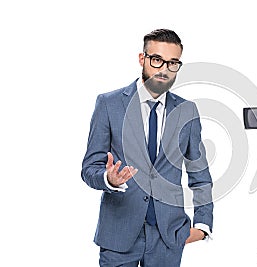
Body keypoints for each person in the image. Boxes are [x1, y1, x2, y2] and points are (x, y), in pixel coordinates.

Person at [81, 29, 213, 267]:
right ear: (142, 59)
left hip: (169, 236)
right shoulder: (109, 104)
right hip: (119, 233)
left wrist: (203, 225)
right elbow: (89, 167)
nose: (164, 69)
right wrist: (109, 179)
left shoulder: (187, 111)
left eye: (173, 63)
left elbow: (199, 173)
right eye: (157, 60)